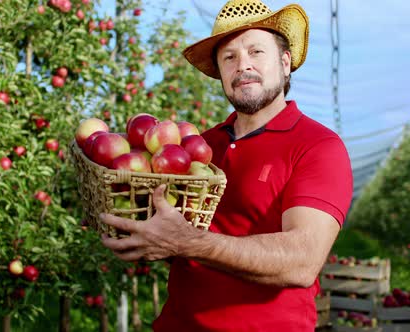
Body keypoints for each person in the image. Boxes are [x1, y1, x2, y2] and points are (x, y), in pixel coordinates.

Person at [100, 0, 353, 330]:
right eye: (229, 57)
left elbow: (302, 261)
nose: (242, 65)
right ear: (219, 72)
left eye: (256, 52)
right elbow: (173, 233)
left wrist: (187, 242)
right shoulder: (198, 148)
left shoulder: (318, 146)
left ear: (285, 62)